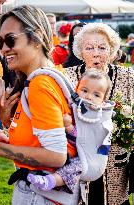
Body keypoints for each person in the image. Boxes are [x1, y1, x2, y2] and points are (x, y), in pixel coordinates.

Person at [0, 5, 77, 205]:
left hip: (39, 195)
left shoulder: (40, 85)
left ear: (36, 38)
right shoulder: (47, 75)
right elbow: (39, 136)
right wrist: (8, 122)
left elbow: (56, 156)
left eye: (10, 40)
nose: (4, 48)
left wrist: (0, 149)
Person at [64, 23, 134, 205]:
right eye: (89, 48)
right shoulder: (67, 77)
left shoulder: (128, 78)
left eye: (102, 47)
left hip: (116, 168)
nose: (96, 53)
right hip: (78, 163)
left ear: (112, 50)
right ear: (80, 50)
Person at [26, 68, 112, 192]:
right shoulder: (76, 106)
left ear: (103, 100)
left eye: (96, 95)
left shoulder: (99, 115)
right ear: (76, 89)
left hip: (90, 160)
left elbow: (86, 138)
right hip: (72, 153)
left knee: (75, 166)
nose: (89, 97)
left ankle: (51, 181)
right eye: (84, 90)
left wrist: (69, 127)